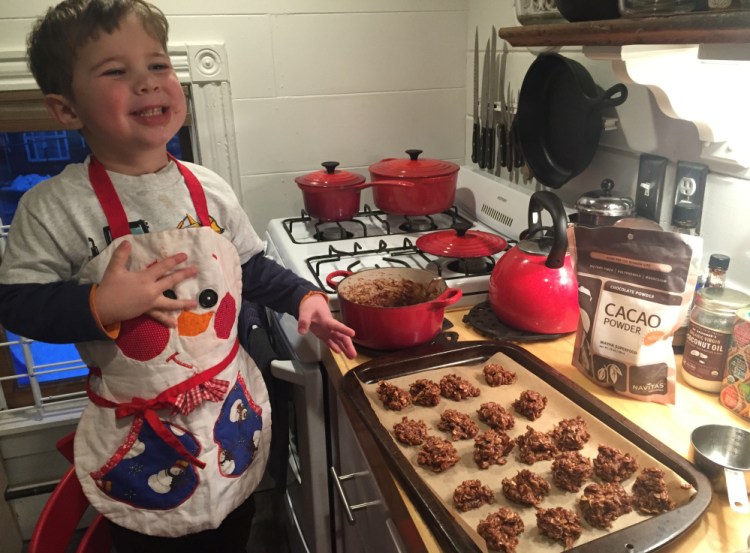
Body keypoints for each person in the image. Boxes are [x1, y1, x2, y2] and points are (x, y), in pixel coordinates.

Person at [0, 1, 356, 552]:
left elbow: (247, 268)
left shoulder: (207, 186)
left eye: (159, 66)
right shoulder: (54, 208)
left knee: (233, 528)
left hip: (226, 412)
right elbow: (17, 304)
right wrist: (100, 305)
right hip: (141, 434)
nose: (147, 83)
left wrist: (304, 296)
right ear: (67, 109)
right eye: (116, 71)